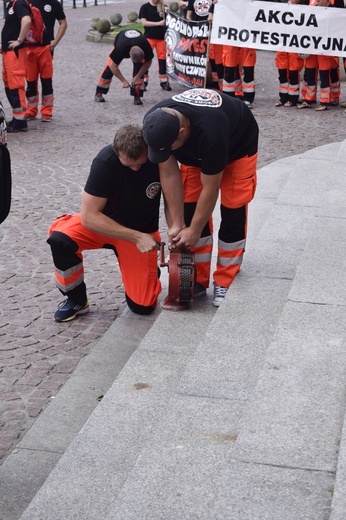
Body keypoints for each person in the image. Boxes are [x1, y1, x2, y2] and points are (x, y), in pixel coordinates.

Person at [142, 88, 258, 307]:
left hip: (238, 145)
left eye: (170, 148)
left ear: (182, 132)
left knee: (233, 208)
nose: (166, 152)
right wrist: (177, 224)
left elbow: (210, 188)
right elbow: (168, 173)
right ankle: (198, 278)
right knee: (189, 207)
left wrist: (194, 230)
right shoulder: (155, 123)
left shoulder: (211, 132)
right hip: (197, 151)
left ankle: (226, 277)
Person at [47, 124, 162, 322]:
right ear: (116, 151)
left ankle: (148, 270)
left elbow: (175, 197)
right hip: (106, 227)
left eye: (141, 163)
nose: (135, 169)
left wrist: (178, 228)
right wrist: (136, 237)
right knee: (60, 239)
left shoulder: (159, 158)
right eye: (129, 165)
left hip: (141, 230)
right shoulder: (104, 162)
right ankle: (76, 301)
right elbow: (90, 217)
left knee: (143, 307)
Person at [25, 0, 67, 123]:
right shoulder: (25, 2)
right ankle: (31, 110)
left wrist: (55, 42)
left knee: (46, 80)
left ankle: (47, 111)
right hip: (29, 49)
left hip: (46, 48)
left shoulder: (53, 3)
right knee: (30, 81)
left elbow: (63, 23)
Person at [94, 29, 154, 106]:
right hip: (121, 39)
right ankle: (99, 92)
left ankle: (137, 95)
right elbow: (113, 66)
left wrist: (138, 76)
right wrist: (123, 81)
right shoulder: (120, 48)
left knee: (139, 70)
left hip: (137, 42)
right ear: (129, 54)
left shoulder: (145, 45)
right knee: (109, 68)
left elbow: (148, 61)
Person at [1, 0, 31, 133]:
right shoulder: (12, 4)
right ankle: (17, 118)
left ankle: (20, 121)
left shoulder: (18, 4)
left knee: (16, 85)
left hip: (15, 53)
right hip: (9, 52)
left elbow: (27, 20)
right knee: (9, 84)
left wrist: (19, 40)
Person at [139, 0, 172, 91]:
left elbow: (169, 22)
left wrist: (168, 13)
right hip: (149, 37)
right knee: (146, 59)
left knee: (163, 59)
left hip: (162, 38)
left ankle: (164, 81)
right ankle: (144, 81)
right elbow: (144, 23)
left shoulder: (163, 6)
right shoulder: (145, 7)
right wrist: (158, 23)